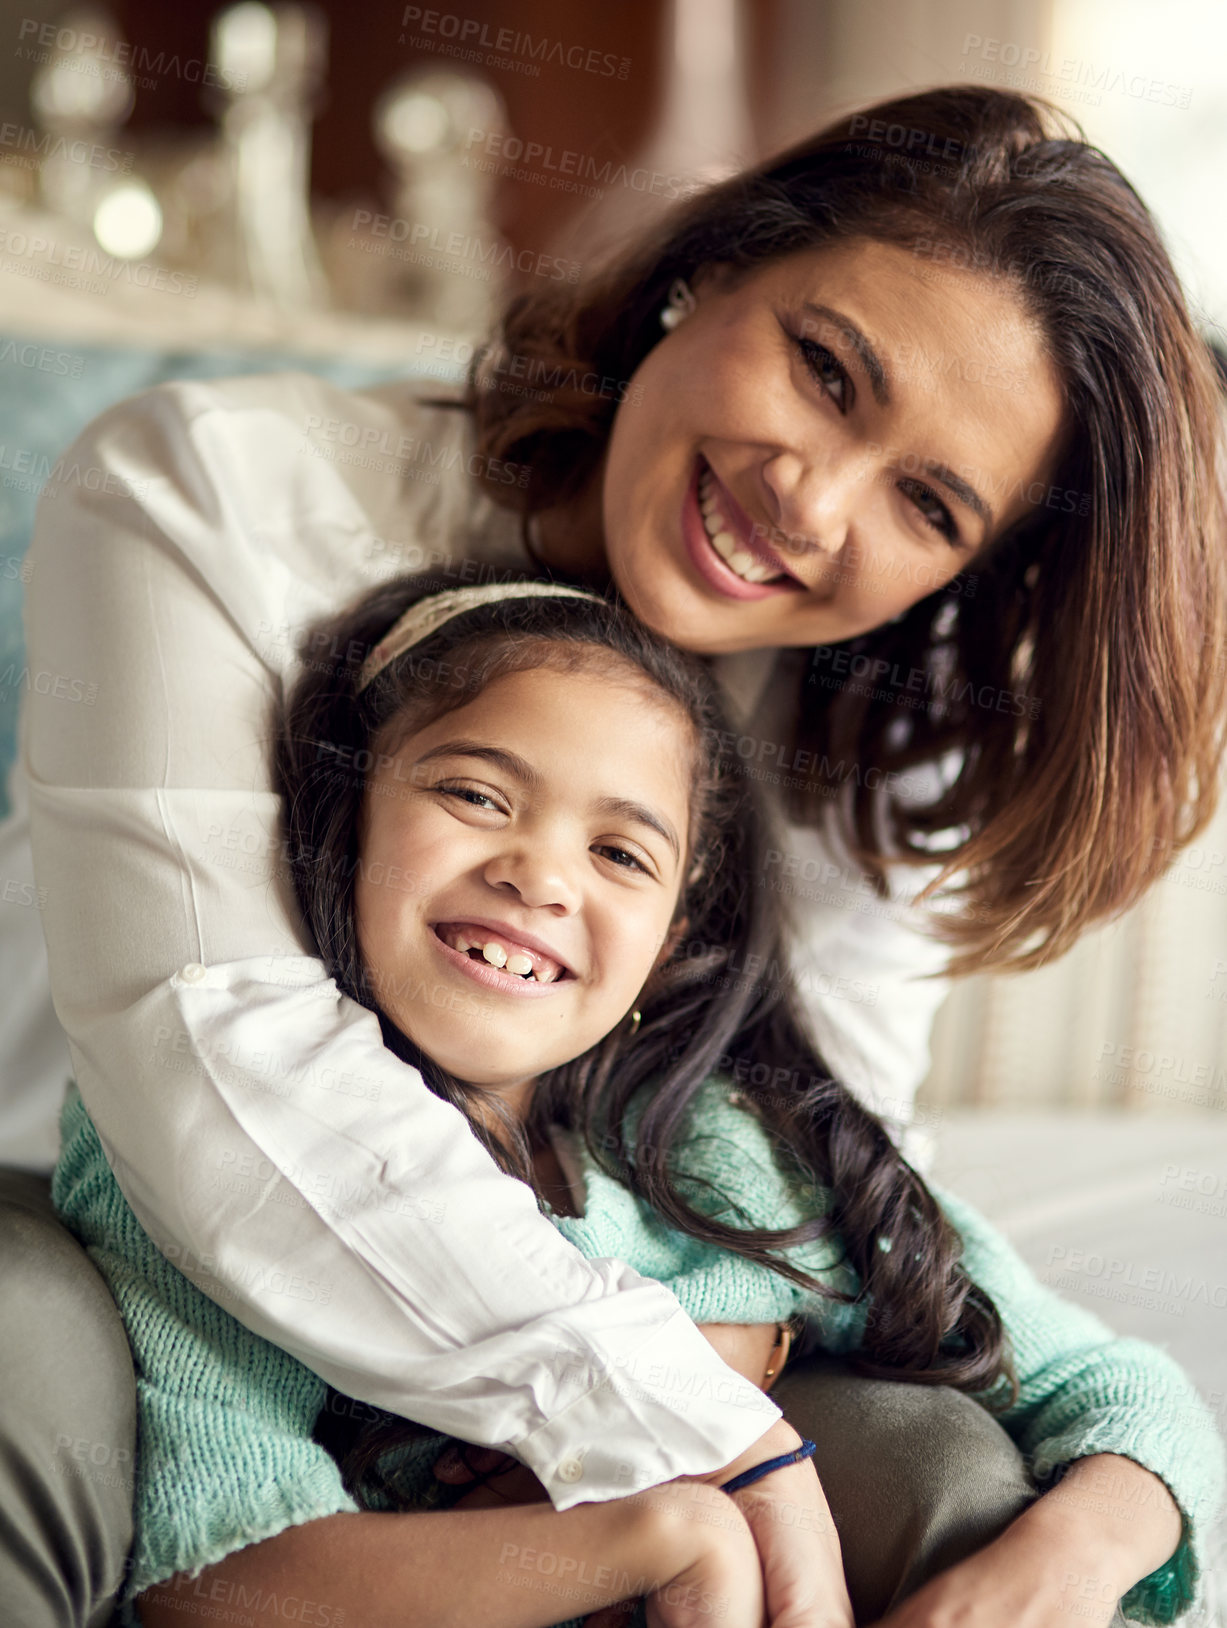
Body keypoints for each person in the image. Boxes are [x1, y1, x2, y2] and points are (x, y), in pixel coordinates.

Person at [3, 85, 1224, 1625]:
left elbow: (805, 1193)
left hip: (602, 1310)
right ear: (707, 268)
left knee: (940, 1471)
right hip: (87, 1209)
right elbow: (215, 1078)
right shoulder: (213, 489)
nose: (808, 498)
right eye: (824, 370)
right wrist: (682, 1436)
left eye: (924, 503)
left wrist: (1082, 1520)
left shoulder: (852, 763)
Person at [51, 577, 1222, 1628]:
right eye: (475, 792)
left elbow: (1126, 1390)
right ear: (344, 815)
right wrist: (663, 1532)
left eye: (621, 854)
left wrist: (1066, 1553)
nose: (542, 874)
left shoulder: (746, 1153)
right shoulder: (211, 1153)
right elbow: (220, 1571)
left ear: (671, 940)